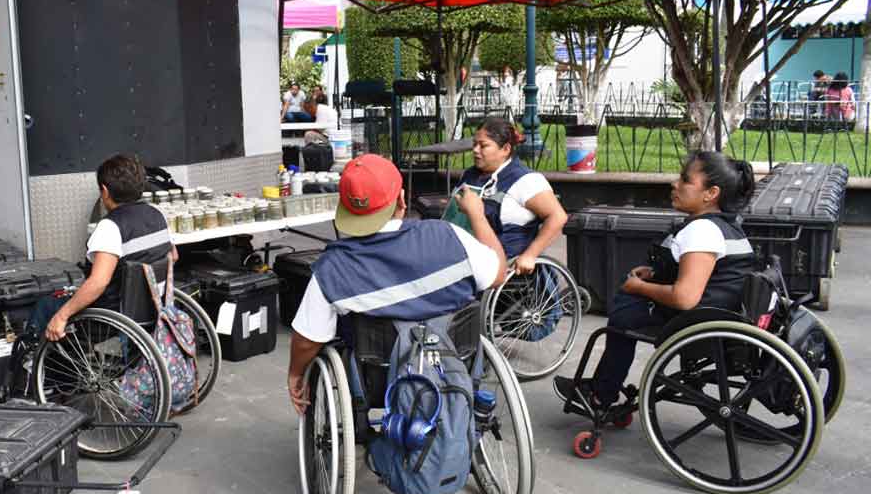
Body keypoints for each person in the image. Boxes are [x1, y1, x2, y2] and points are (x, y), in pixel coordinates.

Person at [287, 154, 508, 414]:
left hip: (379, 383)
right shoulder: (448, 236)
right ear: (402, 200)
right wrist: (477, 216)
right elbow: (498, 274)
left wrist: (295, 374)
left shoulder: (333, 268)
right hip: (455, 364)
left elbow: (307, 340)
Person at [554, 152, 756, 412]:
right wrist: (655, 273)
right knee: (628, 305)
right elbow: (714, 273)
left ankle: (601, 394)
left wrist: (640, 287)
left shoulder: (701, 230)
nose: (675, 184)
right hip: (721, 309)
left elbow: (685, 297)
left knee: (624, 312)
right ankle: (604, 387)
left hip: (699, 319)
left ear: (711, 193)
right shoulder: (727, 225)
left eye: (685, 180)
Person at [31, 153, 176, 341]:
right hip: (154, 307)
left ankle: (34, 357)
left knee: (46, 306)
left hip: (113, 317)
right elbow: (173, 256)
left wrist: (61, 316)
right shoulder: (157, 215)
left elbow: (98, 283)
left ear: (105, 191)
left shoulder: (110, 227)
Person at [443, 117, 567, 275]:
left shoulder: (526, 180)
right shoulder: (470, 175)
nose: (475, 150)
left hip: (499, 263)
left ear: (506, 149)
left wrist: (530, 255)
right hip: (462, 254)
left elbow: (558, 217)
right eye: (474, 144)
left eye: (483, 146)